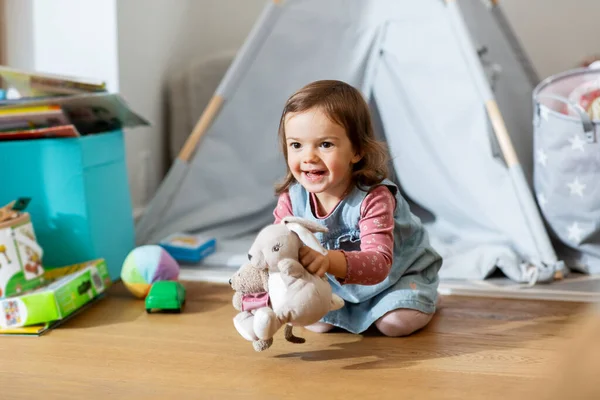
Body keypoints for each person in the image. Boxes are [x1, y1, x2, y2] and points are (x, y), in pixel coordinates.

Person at [273, 80, 442, 337]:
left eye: (325, 144)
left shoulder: (374, 198)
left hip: (396, 277)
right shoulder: (293, 198)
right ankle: (353, 311)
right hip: (337, 284)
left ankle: (425, 298)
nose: (308, 157)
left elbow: (379, 263)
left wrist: (327, 261)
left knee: (394, 324)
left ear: (357, 151)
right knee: (316, 322)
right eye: (297, 145)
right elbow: (277, 246)